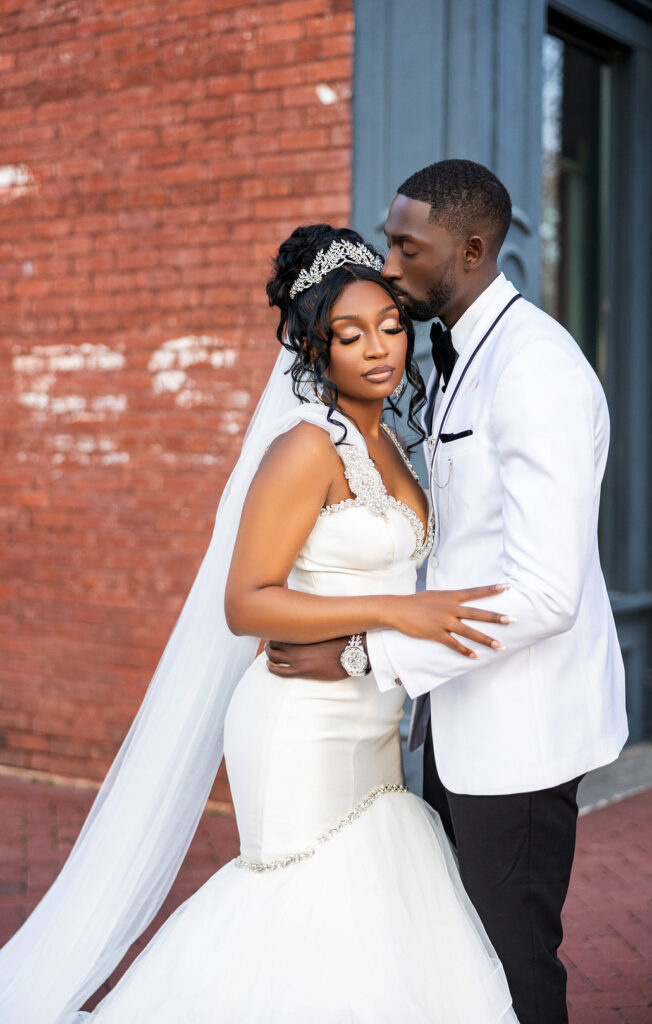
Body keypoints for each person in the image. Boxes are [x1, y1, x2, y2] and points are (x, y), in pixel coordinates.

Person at [0, 224, 521, 1023]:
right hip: (298, 725)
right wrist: (394, 609)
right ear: (317, 350)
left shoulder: (393, 446)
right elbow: (246, 601)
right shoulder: (305, 450)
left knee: (368, 927)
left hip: (371, 714)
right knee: (299, 914)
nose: (379, 350)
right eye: (350, 336)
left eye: (388, 328)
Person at [265, 162, 629, 1024]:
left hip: (521, 734)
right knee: (462, 961)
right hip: (459, 714)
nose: (387, 262)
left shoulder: (535, 370)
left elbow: (546, 592)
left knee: (512, 966)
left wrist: (362, 651)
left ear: (469, 249)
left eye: (406, 246)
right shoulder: (464, 353)